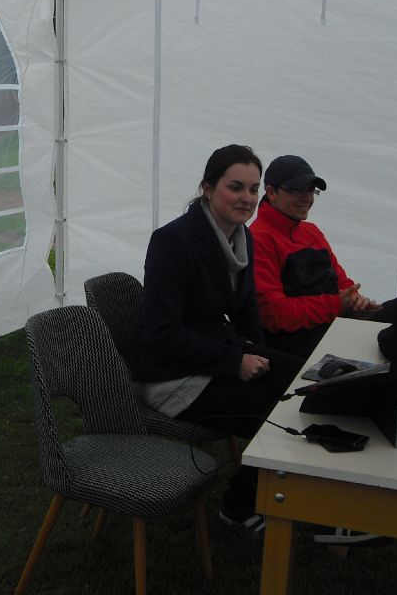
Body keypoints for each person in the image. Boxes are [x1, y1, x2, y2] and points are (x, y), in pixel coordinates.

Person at [136, 145, 304, 532]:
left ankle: (308, 491)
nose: (247, 198)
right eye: (235, 187)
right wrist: (235, 362)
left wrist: (262, 357)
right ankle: (239, 503)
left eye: (254, 189)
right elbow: (161, 334)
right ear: (208, 188)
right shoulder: (172, 241)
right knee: (280, 416)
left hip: (214, 355)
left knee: (301, 384)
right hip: (174, 378)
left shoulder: (240, 238)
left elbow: (246, 314)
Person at [249, 155, 382, 360]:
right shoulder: (259, 238)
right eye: (297, 191)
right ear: (271, 192)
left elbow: (343, 283)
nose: (307, 198)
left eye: (311, 191)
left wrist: (356, 301)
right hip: (298, 345)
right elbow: (274, 314)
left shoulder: (311, 232)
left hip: (331, 328)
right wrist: (337, 306)